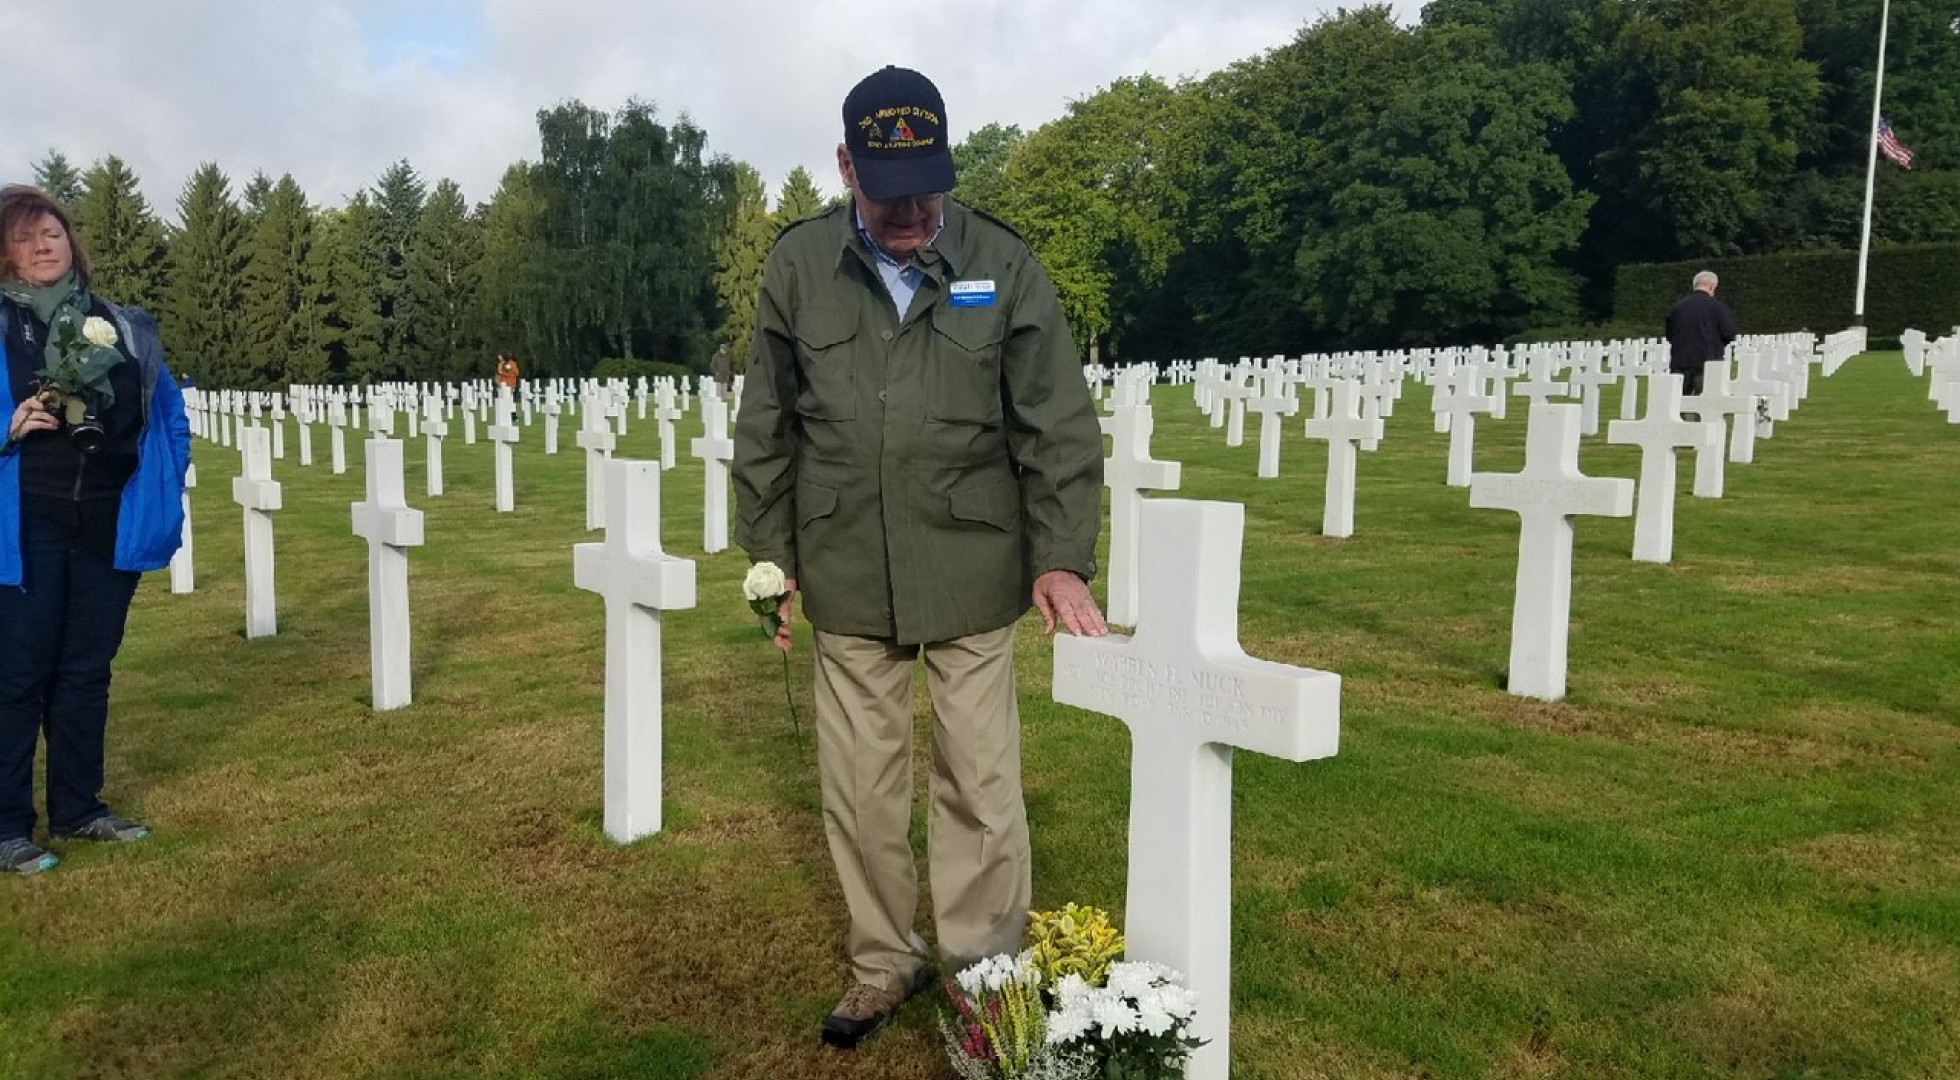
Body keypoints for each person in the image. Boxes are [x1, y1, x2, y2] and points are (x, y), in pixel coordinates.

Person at [732, 66, 1108, 1049]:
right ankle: (882, 962)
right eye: (890, 188)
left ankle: (985, 973)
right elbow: (766, 423)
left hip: (971, 566)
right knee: (860, 787)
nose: (912, 211)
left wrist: (1062, 556)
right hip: (847, 565)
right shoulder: (800, 267)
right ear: (847, 163)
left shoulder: (1002, 263)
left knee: (979, 785)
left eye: (928, 185)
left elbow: (1055, 422)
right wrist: (770, 558)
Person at [0, 185, 190, 877]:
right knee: (20, 673)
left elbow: (167, 410)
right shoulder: (1, 327)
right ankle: (7, 826)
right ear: (6, 255)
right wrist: (9, 427)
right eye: (24, 237)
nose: (42, 245)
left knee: (87, 670)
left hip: (109, 521)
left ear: (69, 241)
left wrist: (168, 479)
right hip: (26, 525)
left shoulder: (126, 324)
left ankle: (79, 808)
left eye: (50, 232)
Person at [1665, 270, 1738, 395]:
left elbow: (1670, 334)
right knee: (1704, 402)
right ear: (1712, 286)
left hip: (1680, 361)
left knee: (1679, 401)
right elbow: (1729, 333)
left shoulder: (1678, 307)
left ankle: (1683, 415)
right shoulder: (1718, 307)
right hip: (1708, 361)